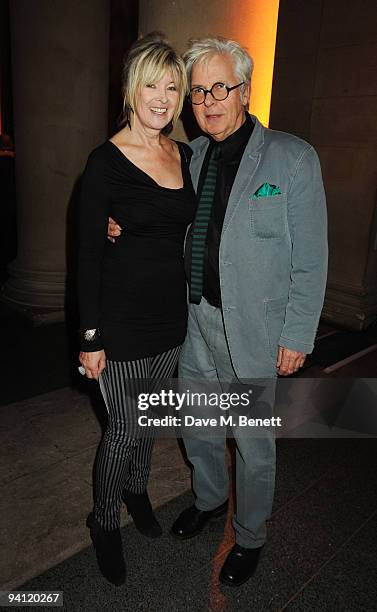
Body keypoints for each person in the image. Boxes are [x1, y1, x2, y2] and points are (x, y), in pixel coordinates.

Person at [109, 36, 328, 588]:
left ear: (245, 91)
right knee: (201, 426)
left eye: (220, 88)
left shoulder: (293, 158)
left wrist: (298, 333)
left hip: (254, 329)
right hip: (197, 321)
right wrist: (118, 226)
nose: (208, 101)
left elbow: (312, 258)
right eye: (199, 91)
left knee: (252, 443)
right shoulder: (193, 154)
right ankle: (208, 499)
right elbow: (162, 218)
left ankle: (250, 534)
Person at [78, 33, 197, 586]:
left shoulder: (184, 154)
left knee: (148, 423)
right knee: (124, 428)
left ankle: (137, 490)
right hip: (120, 322)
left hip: (171, 319)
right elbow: (83, 256)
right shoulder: (105, 163)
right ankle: (103, 522)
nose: (163, 97)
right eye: (152, 83)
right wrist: (89, 336)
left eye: (173, 87)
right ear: (132, 90)